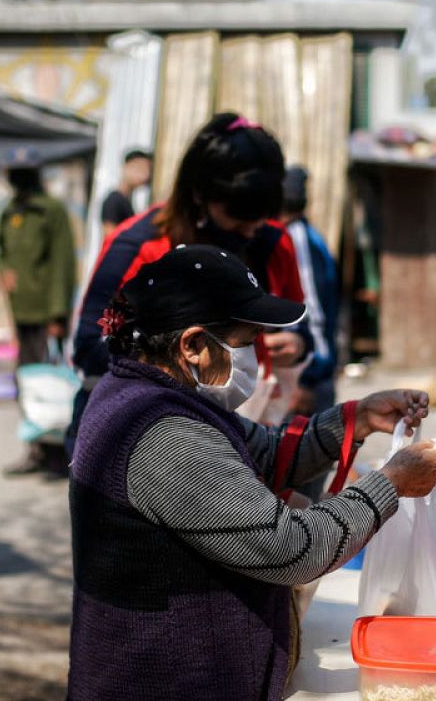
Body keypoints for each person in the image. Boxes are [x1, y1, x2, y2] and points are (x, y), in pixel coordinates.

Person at [63, 246, 436, 701]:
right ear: (192, 344)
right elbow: (292, 548)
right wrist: (389, 484)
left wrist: (356, 419)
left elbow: (262, 455)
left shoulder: (148, 394)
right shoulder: (163, 437)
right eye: (243, 343)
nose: (254, 359)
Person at [68, 113, 309, 456]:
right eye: (240, 217)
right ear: (199, 194)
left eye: (262, 217)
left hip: (246, 432)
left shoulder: (272, 243)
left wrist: (296, 347)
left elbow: (303, 330)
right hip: (142, 438)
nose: (251, 230)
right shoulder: (138, 248)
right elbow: (90, 347)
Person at [0, 148, 79, 476]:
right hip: (21, 311)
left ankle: (58, 454)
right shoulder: (9, 212)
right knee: (28, 383)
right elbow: (0, 251)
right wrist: (2, 270)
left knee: (52, 385)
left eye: (23, 173)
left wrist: (58, 316)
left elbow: (62, 263)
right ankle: (35, 449)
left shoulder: (52, 211)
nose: (17, 180)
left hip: (47, 313)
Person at [280, 166, 339, 417]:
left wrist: (307, 379)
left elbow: (311, 310)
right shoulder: (305, 236)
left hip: (309, 377)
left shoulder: (298, 238)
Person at [99, 148, 153, 237]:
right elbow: (111, 238)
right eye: (138, 167)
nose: (144, 174)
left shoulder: (125, 200)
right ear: (125, 167)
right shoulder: (114, 201)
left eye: (147, 169)